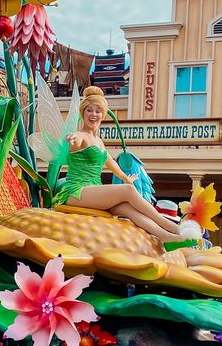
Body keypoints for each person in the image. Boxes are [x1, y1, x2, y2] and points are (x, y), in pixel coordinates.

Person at [54, 87, 200, 246]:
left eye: (97, 111)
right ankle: (172, 226)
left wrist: (125, 177)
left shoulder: (99, 141)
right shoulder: (80, 136)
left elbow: (111, 163)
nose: (93, 114)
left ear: (103, 114)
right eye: (89, 110)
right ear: (83, 113)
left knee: (128, 209)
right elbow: (74, 139)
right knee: (128, 191)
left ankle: (167, 238)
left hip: (92, 189)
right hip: (77, 191)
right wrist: (72, 138)